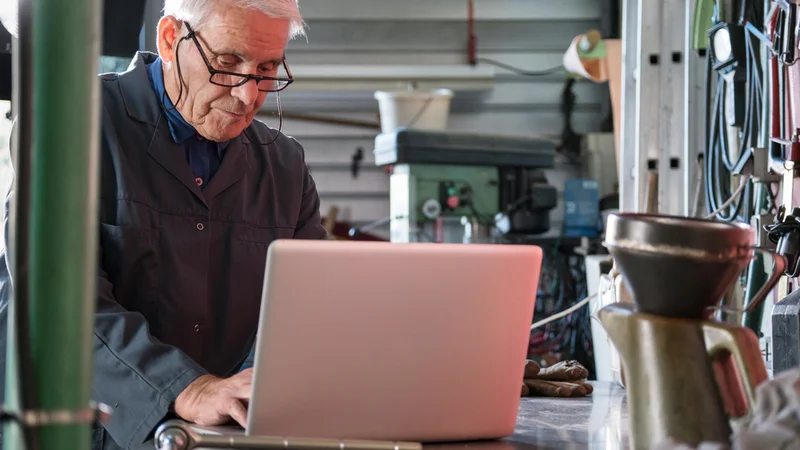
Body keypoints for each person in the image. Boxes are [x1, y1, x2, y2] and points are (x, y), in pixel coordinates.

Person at [0, 1, 326, 449]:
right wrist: (186, 388)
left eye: (267, 69)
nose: (249, 95)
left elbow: (308, 314)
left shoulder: (285, 168)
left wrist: (254, 399)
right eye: (228, 63)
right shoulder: (71, 124)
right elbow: (55, 301)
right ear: (171, 38)